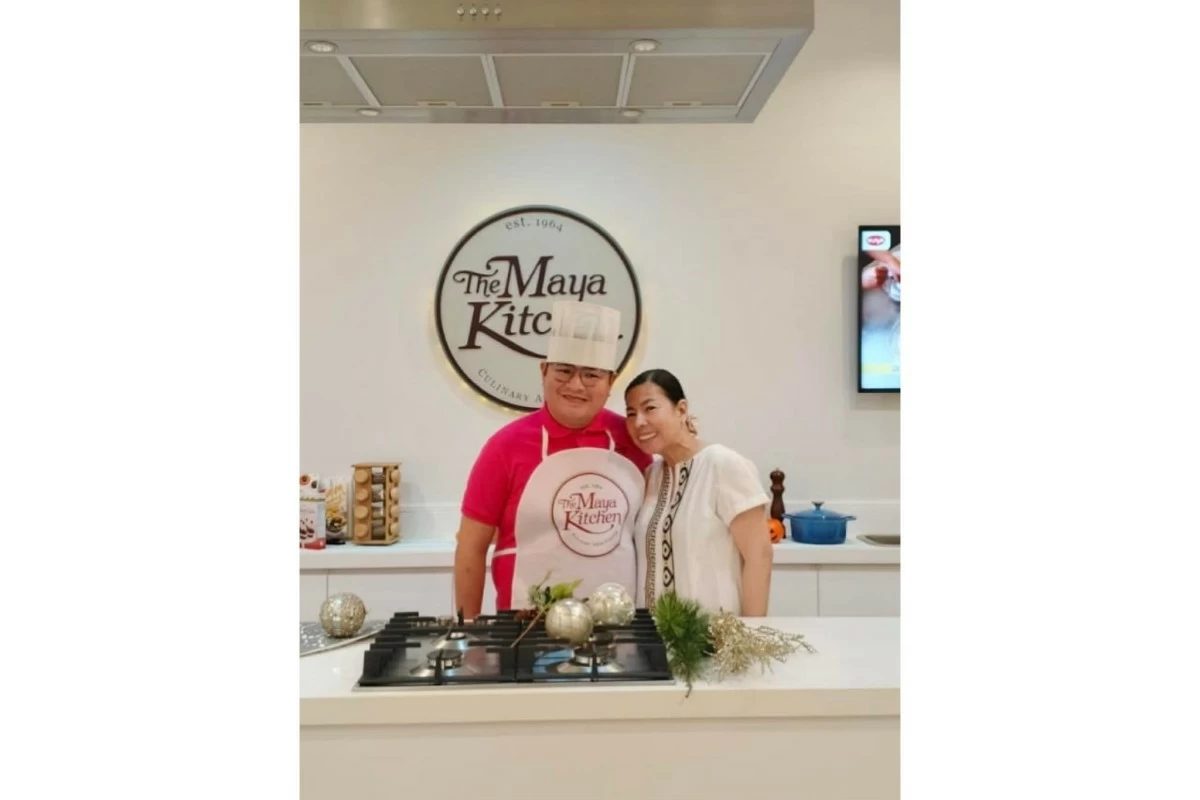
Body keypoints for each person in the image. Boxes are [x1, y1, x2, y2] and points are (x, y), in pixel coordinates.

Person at [453, 301, 653, 618]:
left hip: (618, 624)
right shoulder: (505, 447)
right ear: (543, 370)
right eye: (564, 370)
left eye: (591, 374)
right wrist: (467, 632)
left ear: (610, 382)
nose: (576, 385)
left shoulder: (634, 442)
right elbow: (470, 548)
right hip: (523, 627)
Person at [624, 369, 773, 616]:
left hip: (715, 640)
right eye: (631, 413)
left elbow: (760, 557)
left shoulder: (722, 465)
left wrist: (750, 636)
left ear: (681, 410)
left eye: (649, 408)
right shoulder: (652, 476)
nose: (639, 422)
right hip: (654, 641)